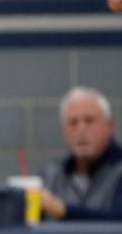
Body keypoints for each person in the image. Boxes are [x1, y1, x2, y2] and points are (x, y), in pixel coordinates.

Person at [39, 86, 122, 221]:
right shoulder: (51, 174)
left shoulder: (118, 171)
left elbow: (118, 221)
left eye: (89, 121)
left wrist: (63, 210)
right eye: (73, 122)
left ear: (109, 126)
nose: (81, 130)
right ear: (64, 130)